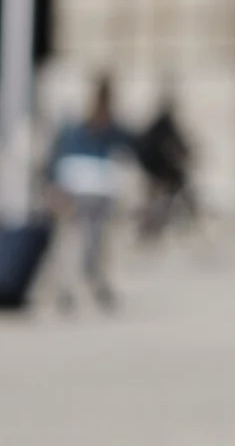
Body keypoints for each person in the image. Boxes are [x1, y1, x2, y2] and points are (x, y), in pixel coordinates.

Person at [44, 76, 138, 313]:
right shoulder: (84, 126)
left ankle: (85, 285)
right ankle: (76, 287)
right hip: (83, 189)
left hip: (92, 190)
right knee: (79, 241)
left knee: (87, 241)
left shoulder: (104, 126)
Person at [133, 90, 202, 247]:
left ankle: (157, 220)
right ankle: (155, 222)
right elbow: (178, 142)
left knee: (168, 187)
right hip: (154, 165)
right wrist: (188, 154)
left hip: (153, 164)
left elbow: (177, 143)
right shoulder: (164, 124)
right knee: (176, 183)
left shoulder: (160, 123)